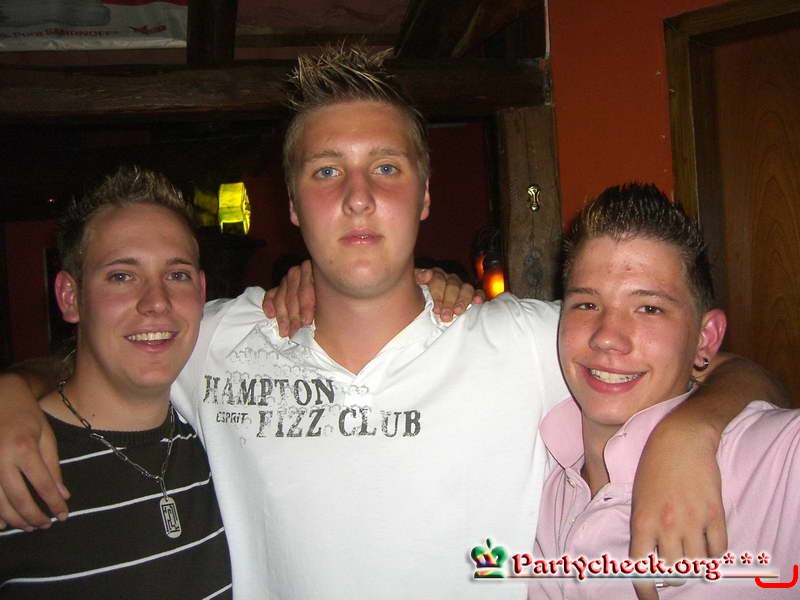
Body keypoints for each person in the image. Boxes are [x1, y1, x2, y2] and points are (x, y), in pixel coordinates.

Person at [0, 47, 787, 599]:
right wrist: (11, 390)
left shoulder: (522, 340)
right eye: (326, 171)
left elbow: (719, 365)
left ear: (425, 195)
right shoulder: (217, 341)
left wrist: (694, 429)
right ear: (293, 205)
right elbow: (102, 358)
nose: (357, 197)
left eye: (385, 168)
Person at [531, 183, 799, 599]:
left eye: (649, 308)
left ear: (706, 339)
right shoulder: (538, 477)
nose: (607, 337)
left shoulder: (776, 461)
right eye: (587, 304)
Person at [0, 166, 233, 597]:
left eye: (177, 274)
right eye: (122, 276)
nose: (156, 302)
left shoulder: (224, 440)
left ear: (201, 293)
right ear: (70, 297)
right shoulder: (15, 469)